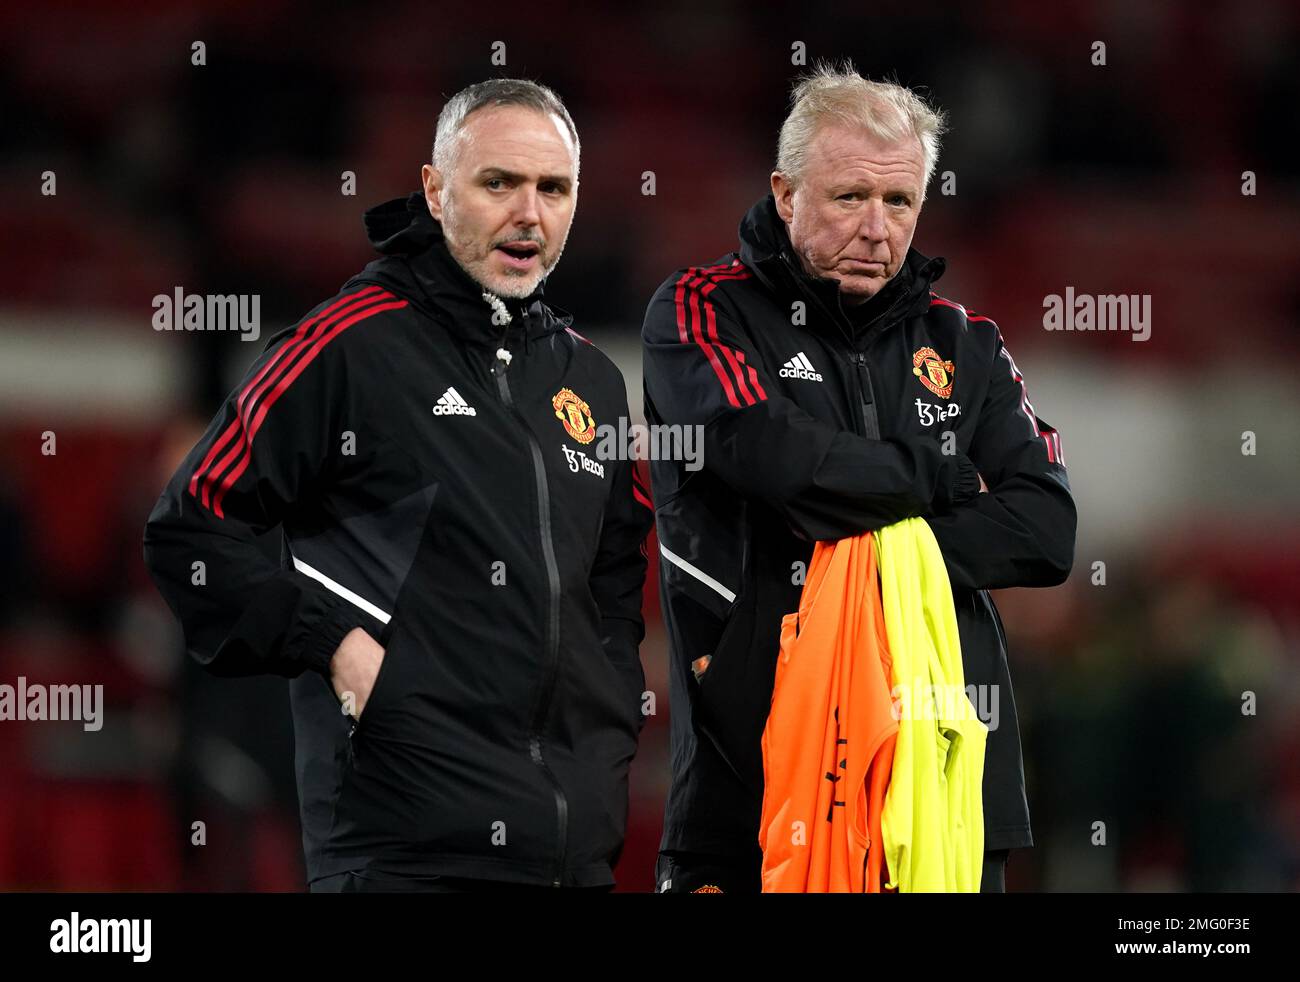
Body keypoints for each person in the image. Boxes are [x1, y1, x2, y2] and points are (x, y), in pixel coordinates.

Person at [144, 78, 653, 892]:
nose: (528, 213)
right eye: (498, 183)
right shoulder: (347, 346)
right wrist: (333, 644)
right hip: (403, 856)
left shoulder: (590, 380)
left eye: (552, 189)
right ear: (435, 188)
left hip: (570, 858)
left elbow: (616, 581)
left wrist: (609, 729)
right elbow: (190, 527)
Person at [642, 63, 1076, 893]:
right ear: (785, 191)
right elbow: (763, 452)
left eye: (900, 202)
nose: (877, 229)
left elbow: (1047, 530)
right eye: (849, 199)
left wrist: (845, 514)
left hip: (946, 780)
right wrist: (946, 476)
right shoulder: (700, 311)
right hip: (754, 777)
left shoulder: (965, 344)